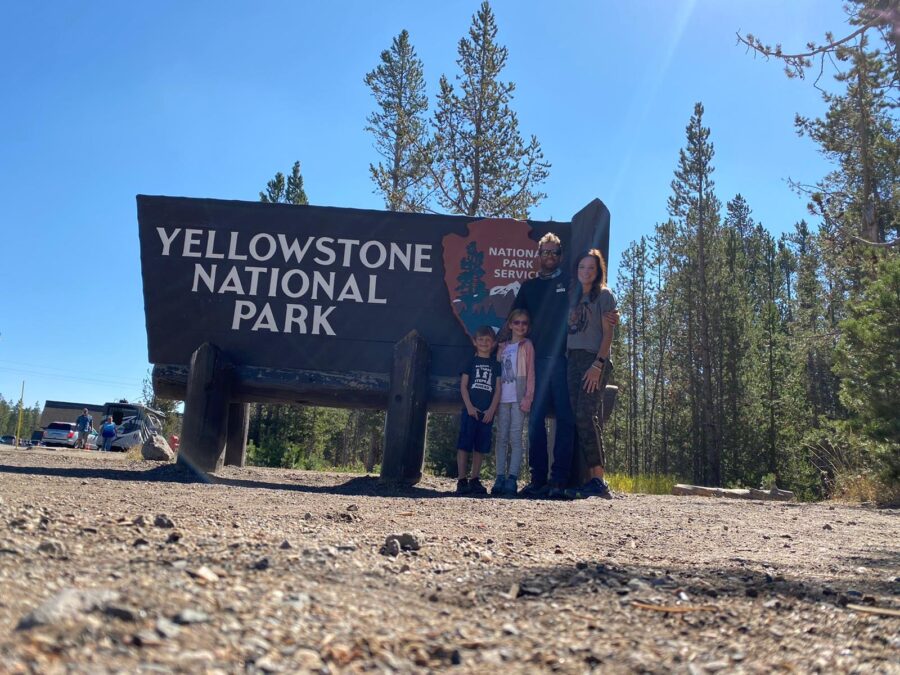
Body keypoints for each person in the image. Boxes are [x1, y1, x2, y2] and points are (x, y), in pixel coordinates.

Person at [511, 233, 576, 498]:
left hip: (563, 360)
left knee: (565, 418)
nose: (550, 257)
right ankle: (537, 479)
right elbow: (516, 319)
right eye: (545, 252)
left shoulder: (570, 283)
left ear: (561, 256)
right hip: (536, 360)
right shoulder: (529, 287)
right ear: (538, 256)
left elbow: (589, 304)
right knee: (535, 420)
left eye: (554, 253)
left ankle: (559, 480)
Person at [565, 249, 616, 499]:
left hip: (593, 359)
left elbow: (608, 334)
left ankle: (598, 479)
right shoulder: (574, 297)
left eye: (591, 268)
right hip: (572, 359)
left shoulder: (604, 296)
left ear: (598, 272)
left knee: (587, 414)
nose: (586, 272)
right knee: (578, 416)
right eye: (582, 267)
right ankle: (589, 479)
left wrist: (598, 364)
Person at [491, 309, 535, 497]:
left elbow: (531, 373)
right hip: (502, 400)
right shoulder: (502, 347)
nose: (520, 326)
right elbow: (496, 374)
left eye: (524, 323)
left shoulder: (527, 345)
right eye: (516, 322)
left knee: (516, 439)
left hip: (518, 399)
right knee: (501, 438)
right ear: (510, 325)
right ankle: (499, 476)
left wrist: (528, 397)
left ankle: (512, 478)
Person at [456, 325, 502, 495]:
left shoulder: (495, 364)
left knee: (480, 447)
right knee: (464, 444)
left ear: (493, 343)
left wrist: (492, 410)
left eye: (488, 340)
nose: (484, 343)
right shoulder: (470, 361)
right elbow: (463, 386)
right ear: (475, 342)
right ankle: (461, 479)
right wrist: (468, 406)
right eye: (481, 340)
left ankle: (475, 478)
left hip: (486, 413)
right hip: (470, 411)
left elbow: (498, 389)